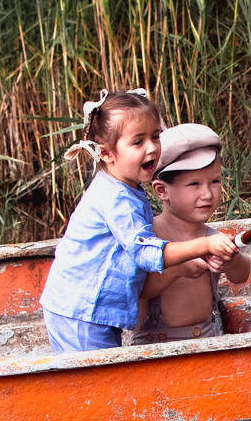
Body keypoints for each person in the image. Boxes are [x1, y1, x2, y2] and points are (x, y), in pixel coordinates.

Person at [38, 91, 239, 353]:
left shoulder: (126, 189)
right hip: (81, 309)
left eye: (155, 136)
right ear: (107, 153)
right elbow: (146, 252)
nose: (153, 147)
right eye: (138, 142)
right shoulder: (116, 199)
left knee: (104, 381)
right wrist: (205, 244)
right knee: (95, 385)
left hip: (92, 307)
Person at [130, 122, 251, 344]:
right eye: (194, 184)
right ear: (162, 190)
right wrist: (177, 270)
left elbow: (241, 275)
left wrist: (231, 261)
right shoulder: (148, 237)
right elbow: (139, 290)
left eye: (214, 181)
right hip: (153, 347)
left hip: (207, 340)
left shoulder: (211, 237)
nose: (207, 194)